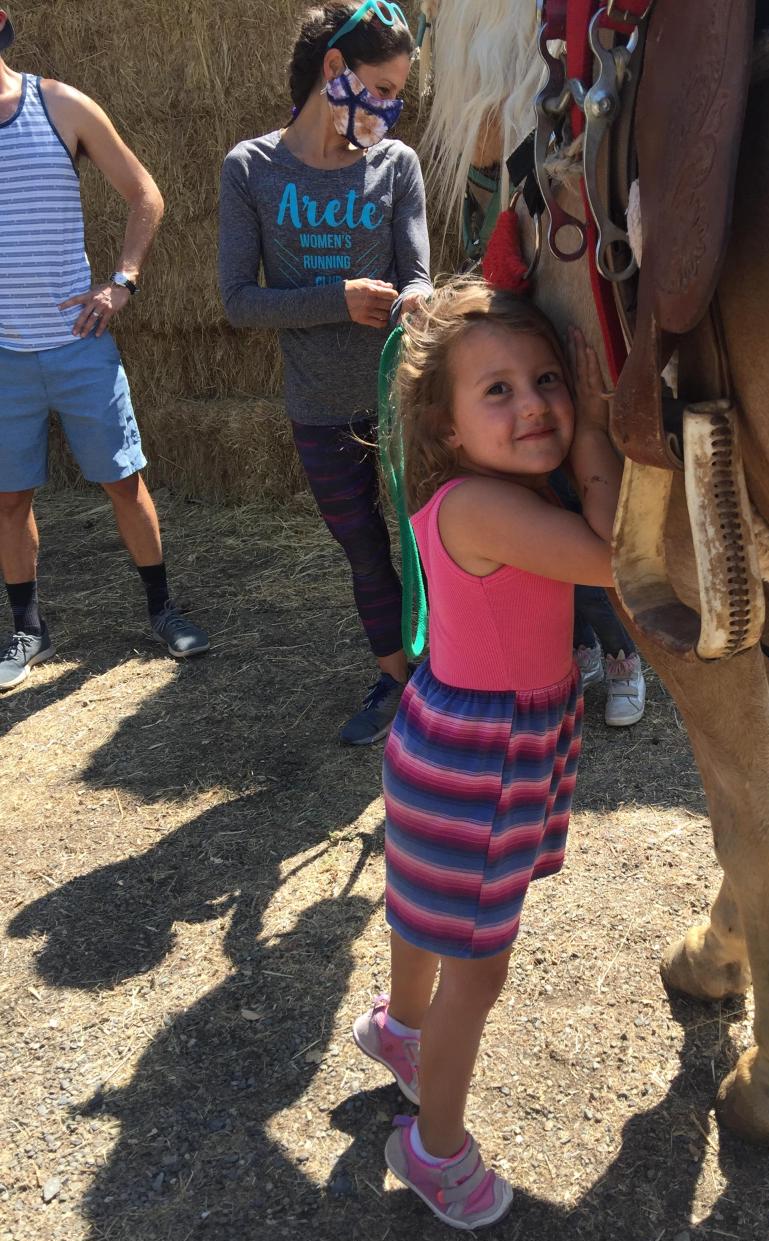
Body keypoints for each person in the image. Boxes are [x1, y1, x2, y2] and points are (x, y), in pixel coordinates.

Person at [351, 278, 622, 1228]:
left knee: (426, 912)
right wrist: (595, 434)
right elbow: (614, 554)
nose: (534, 405)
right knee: (479, 967)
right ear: (446, 427)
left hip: (482, 742)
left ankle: (400, 1029)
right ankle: (434, 1151)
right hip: (481, 755)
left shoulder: (490, 491)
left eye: (548, 380)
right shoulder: (481, 506)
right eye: (496, 391)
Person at [218, 0, 432, 745]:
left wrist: (416, 298)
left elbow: (418, 276)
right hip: (318, 405)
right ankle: (398, 681)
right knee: (364, 550)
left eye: (398, 94)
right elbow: (238, 301)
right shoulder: (250, 168)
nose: (390, 109)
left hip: (403, 399)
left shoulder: (395, 164)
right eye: (382, 89)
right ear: (334, 69)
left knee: (429, 544)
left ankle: (448, 675)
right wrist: (336, 300)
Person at [0, 7, 209, 691]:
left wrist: (123, 282)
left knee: (123, 482)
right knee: (8, 500)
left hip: (78, 344)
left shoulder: (59, 105)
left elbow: (146, 193)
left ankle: (164, 611)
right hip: (4, 358)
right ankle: (28, 631)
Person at [549, 469, 647, 727]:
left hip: (568, 471)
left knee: (587, 585)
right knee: (555, 578)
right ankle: (584, 654)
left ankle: (623, 664)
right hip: (527, 480)